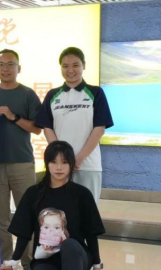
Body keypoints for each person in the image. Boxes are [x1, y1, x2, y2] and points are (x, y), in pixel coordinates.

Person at [0, 141, 105, 270]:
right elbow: (24, 232)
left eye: (64, 162)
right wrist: (14, 261)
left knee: (69, 245)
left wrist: (97, 266)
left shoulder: (81, 194)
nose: (59, 167)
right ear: (47, 164)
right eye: (54, 162)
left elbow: (91, 233)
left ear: (71, 165)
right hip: (46, 259)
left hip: (76, 257)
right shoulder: (34, 193)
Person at [0, 49, 41, 270]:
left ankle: (29, 263)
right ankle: (6, 264)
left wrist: (13, 117)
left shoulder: (28, 94)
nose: (5, 68)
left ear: (18, 68)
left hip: (22, 163)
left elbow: (37, 128)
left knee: (27, 215)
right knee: (0, 218)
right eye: (1, 64)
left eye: (10, 64)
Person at [35, 47, 114, 202]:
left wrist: (78, 158)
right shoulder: (52, 95)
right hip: (59, 167)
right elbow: (47, 128)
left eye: (75, 65)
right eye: (65, 66)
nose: (70, 70)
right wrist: (61, 157)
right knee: (59, 210)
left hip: (88, 165)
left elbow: (99, 129)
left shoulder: (96, 93)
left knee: (87, 210)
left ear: (84, 66)